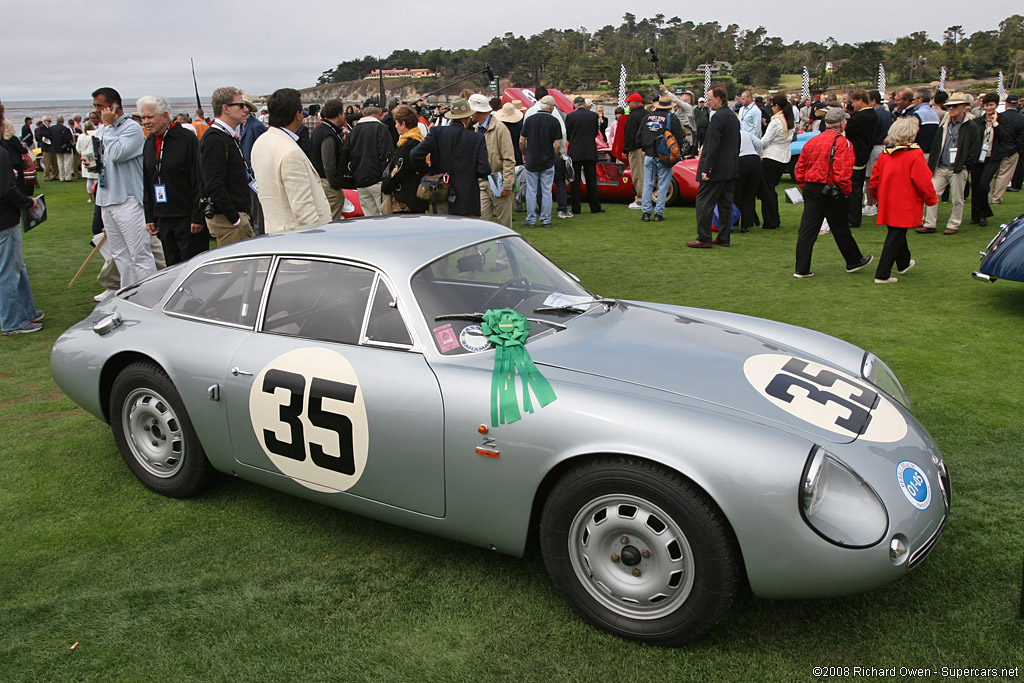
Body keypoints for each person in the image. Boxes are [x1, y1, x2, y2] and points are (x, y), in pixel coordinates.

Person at [792, 108, 873, 277]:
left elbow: (799, 169)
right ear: (842, 123)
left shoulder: (813, 141)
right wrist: (846, 192)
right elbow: (842, 173)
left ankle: (801, 268)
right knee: (840, 227)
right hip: (830, 189)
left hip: (811, 187)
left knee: (807, 229)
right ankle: (853, 260)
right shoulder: (843, 143)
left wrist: (804, 186)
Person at [93, 86, 157, 288]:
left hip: (128, 200)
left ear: (113, 106)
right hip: (107, 198)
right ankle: (129, 292)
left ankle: (150, 293)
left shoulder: (132, 128)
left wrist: (109, 128)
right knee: (120, 255)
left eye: (100, 106)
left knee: (139, 254)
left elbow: (117, 154)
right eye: (95, 106)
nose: (97, 110)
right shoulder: (103, 128)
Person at [138, 94, 208, 266]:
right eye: (143, 118)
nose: (146, 122)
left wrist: (197, 216)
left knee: (192, 266)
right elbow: (148, 180)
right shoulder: (149, 142)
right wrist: (150, 216)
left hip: (186, 217)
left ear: (165, 116)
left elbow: (198, 179)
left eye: (150, 117)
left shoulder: (186, 139)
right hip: (163, 216)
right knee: (172, 267)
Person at [251, 88, 332, 234]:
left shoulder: (260, 142)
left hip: (274, 231)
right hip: (296, 237)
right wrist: (318, 239)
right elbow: (303, 209)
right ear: (298, 115)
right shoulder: (290, 152)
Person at [868, 117, 939, 283]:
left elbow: (874, 180)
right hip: (906, 202)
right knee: (896, 234)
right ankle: (882, 273)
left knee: (897, 232)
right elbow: (923, 181)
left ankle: (903, 263)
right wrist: (931, 199)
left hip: (888, 201)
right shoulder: (915, 154)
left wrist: (878, 197)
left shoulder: (886, 155)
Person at [0, 103, 44, 336]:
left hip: (6, 218)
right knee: (8, 271)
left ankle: (27, 311)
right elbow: (5, 189)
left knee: (17, 267)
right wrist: (28, 203)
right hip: (4, 219)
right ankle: (12, 321)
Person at [411, 98, 489, 217]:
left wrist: (428, 172)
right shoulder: (476, 138)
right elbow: (484, 169)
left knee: (444, 232)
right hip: (467, 197)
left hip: (441, 191)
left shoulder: (437, 132)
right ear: (468, 118)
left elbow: (415, 154)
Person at [199, 86, 255, 246]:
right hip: (228, 220)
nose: (245, 110)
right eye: (240, 105)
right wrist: (235, 219)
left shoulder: (225, 136)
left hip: (236, 215)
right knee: (235, 270)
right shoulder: (215, 139)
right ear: (225, 109)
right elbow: (213, 184)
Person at [919, 93, 979, 235]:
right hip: (941, 166)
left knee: (957, 199)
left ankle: (954, 224)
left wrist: (966, 164)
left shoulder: (970, 126)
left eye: (955, 106)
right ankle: (929, 223)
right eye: (949, 106)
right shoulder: (945, 124)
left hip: (958, 168)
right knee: (932, 194)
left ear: (964, 107)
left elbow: (975, 147)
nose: (951, 108)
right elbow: (936, 145)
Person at [689, 85, 739, 248]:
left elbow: (713, 146)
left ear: (718, 99)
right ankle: (724, 237)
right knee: (725, 204)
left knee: (703, 202)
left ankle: (704, 237)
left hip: (716, 170)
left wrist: (707, 169)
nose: (708, 103)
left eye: (710, 99)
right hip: (730, 168)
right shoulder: (732, 116)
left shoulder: (718, 117)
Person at [636, 94, 686, 223]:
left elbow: (639, 136)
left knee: (648, 183)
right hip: (664, 155)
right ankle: (658, 213)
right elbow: (679, 138)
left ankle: (646, 212)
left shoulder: (647, 117)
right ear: (669, 107)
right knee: (663, 184)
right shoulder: (671, 118)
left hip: (649, 154)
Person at [469, 94, 516, 227]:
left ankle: (505, 248)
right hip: (483, 181)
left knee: (504, 224)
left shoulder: (500, 129)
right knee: (482, 224)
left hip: (498, 180)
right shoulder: (476, 129)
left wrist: (507, 185)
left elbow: (508, 159)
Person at [516, 95, 563, 227]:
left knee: (531, 190)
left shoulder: (530, 120)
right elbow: (558, 144)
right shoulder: (554, 121)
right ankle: (546, 219)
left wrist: (524, 153)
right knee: (546, 191)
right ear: (552, 107)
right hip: (547, 160)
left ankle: (531, 219)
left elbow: (521, 140)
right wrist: (553, 155)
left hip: (532, 159)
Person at [346, 105, 394, 216]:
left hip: (360, 179)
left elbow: (347, 153)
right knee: (385, 216)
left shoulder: (353, 131)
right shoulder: (382, 128)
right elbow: (387, 154)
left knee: (369, 217)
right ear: (380, 112)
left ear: (363, 114)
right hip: (377, 179)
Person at [381, 104, 428, 214]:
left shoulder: (409, 145)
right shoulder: (419, 141)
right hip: (415, 198)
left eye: (397, 123)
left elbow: (400, 171)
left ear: (403, 124)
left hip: (407, 201)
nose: (396, 126)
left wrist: (386, 186)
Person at [309, 98, 348, 219]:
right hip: (326, 180)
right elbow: (328, 162)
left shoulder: (320, 129)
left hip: (318, 177)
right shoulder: (328, 134)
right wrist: (334, 183)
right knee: (334, 208)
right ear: (339, 115)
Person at [970, 93, 1004, 227]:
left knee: (984, 184)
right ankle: (976, 215)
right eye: (986, 105)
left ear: (996, 105)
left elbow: (1005, 137)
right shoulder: (977, 122)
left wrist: (995, 124)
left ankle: (983, 214)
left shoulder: (1002, 121)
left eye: (991, 105)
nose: (989, 108)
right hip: (978, 157)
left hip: (993, 157)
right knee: (976, 185)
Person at [759, 94, 793, 231]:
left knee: (768, 191)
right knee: (771, 189)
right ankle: (774, 219)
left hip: (772, 156)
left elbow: (765, 141)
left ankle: (770, 220)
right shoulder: (789, 119)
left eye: (772, 105)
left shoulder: (776, 121)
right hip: (784, 157)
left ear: (777, 106)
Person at [565, 96, 603, 216]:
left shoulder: (570, 116)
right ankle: (595, 206)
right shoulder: (593, 116)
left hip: (575, 150)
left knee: (575, 181)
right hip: (589, 150)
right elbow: (594, 132)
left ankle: (576, 208)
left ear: (575, 104)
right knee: (591, 180)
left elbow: (568, 134)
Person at [845, 91, 877, 227]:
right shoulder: (872, 115)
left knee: (854, 186)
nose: (852, 105)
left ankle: (853, 218)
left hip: (856, 154)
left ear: (860, 101)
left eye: (853, 102)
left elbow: (848, 130)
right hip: (863, 152)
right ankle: (853, 216)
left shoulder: (861, 117)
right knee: (856, 185)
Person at [989, 94, 1024, 205]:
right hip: (1012, 149)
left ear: (1006, 104)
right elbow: (1021, 138)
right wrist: (1017, 149)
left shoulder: (999, 116)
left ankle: (990, 196)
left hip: (998, 148)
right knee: (1004, 175)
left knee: (994, 174)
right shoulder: (1021, 119)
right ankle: (996, 198)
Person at [862, 90, 892, 217]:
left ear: (873, 101)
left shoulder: (873, 114)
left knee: (870, 178)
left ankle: (870, 205)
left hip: (874, 147)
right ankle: (879, 203)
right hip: (886, 148)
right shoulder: (888, 114)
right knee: (882, 178)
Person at [734, 130, 764, 232]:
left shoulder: (728, 133)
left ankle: (734, 219)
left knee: (737, 193)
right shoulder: (745, 132)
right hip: (754, 160)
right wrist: (756, 153)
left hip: (740, 161)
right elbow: (759, 143)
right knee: (750, 194)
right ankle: (746, 223)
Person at [622, 92, 647, 209]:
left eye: (629, 102)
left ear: (635, 103)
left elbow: (630, 135)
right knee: (647, 175)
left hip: (637, 149)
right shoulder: (648, 114)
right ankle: (646, 198)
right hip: (648, 149)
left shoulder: (633, 116)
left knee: (638, 174)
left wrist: (625, 150)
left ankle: (641, 200)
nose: (628, 104)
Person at [77, 121, 100, 202]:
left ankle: (90, 197)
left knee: (89, 179)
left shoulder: (80, 136)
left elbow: (78, 149)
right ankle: (96, 196)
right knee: (95, 179)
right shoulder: (94, 135)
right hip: (92, 156)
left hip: (84, 156)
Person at [51, 116, 74, 182]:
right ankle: (67, 177)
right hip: (65, 148)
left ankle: (61, 177)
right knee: (67, 163)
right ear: (63, 121)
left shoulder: (52, 128)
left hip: (56, 148)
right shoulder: (66, 129)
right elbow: (69, 139)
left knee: (60, 163)